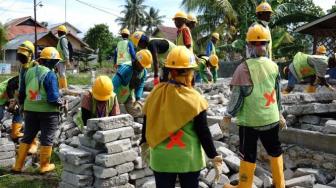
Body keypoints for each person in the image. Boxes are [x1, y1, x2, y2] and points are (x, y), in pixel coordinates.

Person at [141, 46, 222, 188]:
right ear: (188, 73)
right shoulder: (195, 99)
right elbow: (203, 131)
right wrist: (214, 156)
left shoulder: (155, 93)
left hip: (161, 159)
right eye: (191, 71)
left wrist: (144, 142)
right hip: (188, 159)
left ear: (170, 71)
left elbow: (147, 120)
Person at [223, 24, 285, 188]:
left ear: (248, 45)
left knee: (248, 155)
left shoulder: (243, 68)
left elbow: (236, 98)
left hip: (250, 121)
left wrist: (227, 115)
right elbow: (278, 93)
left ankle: (244, 186)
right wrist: (280, 113)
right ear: (267, 44)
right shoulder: (274, 66)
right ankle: (280, 184)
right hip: (271, 118)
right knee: (275, 150)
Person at [13, 47, 64, 174]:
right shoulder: (49, 74)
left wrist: (23, 106)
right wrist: (61, 103)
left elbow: (21, 92)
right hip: (48, 112)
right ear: (51, 62)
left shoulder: (29, 71)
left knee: (27, 137)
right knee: (47, 138)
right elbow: (52, 98)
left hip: (30, 110)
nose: (56, 64)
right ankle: (44, 166)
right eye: (56, 61)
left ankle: (17, 166)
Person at [112, 49, 152, 117]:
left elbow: (140, 86)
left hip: (128, 96)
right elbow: (113, 84)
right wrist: (111, 99)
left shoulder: (143, 72)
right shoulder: (126, 68)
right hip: (115, 95)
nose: (143, 67)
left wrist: (138, 99)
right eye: (141, 65)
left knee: (137, 112)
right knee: (114, 116)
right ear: (137, 61)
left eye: (144, 66)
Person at [16, 41, 39, 154]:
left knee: (32, 123)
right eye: (20, 54)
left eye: (23, 55)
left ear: (30, 54)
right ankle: (30, 143)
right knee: (27, 122)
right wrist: (20, 98)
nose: (21, 57)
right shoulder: (21, 67)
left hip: (34, 98)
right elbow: (20, 83)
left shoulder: (35, 65)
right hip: (24, 97)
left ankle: (34, 144)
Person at [56, 25, 70, 89]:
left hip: (62, 60)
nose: (58, 33)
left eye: (58, 32)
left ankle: (64, 88)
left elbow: (65, 49)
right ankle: (61, 88)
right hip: (59, 60)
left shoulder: (63, 40)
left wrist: (67, 60)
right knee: (60, 74)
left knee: (62, 74)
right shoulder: (60, 39)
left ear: (60, 32)